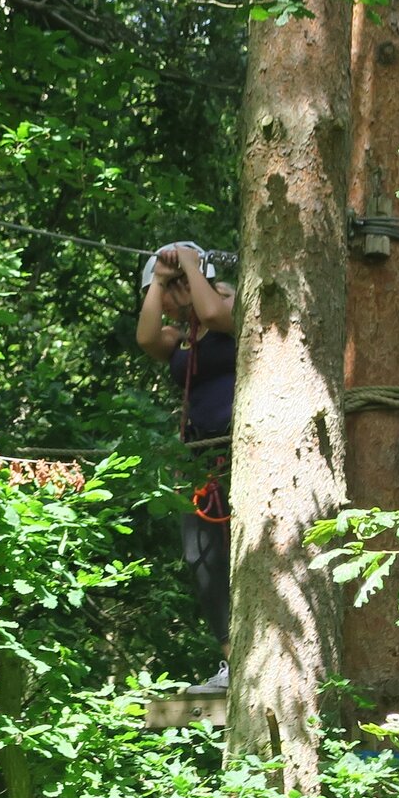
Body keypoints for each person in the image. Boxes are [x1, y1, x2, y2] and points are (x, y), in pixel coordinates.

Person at [135, 242, 235, 687]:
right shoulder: (180, 338)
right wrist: (157, 281)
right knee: (202, 558)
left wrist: (192, 269)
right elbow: (146, 338)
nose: (171, 303)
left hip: (242, 448)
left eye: (173, 290)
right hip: (202, 461)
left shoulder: (233, 306)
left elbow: (214, 314)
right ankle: (233, 658)